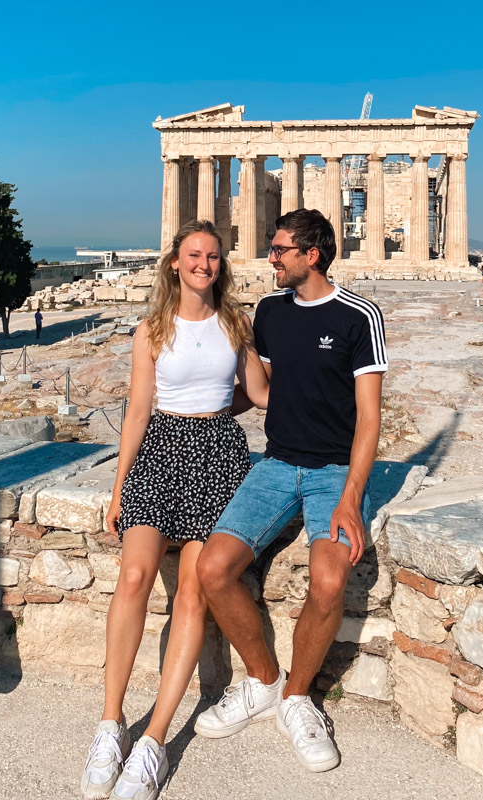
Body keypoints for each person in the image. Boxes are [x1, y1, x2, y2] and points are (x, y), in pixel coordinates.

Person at [80, 220, 269, 800]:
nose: (204, 265)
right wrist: (118, 488)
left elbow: (261, 393)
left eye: (213, 257)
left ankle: (154, 741)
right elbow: (137, 412)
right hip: (160, 454)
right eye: (194, 255)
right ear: (174, 263)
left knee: (191, 593)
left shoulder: (236, 324)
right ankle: (111, 724)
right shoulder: (151, 330)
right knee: (133, 576)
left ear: (221, 265)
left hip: (216, 454)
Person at [195, 208, 387, 772]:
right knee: (213, 569)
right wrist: (198, 415)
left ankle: (297, 698)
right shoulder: (270, 311)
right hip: (277, 464)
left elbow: (371, 418)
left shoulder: (360, 316)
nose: (270, 257)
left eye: (279, 249)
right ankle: (262, 681)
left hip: (333, 471)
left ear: (312, 255)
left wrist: (351, 498)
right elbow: (264, 387)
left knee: (329, 580)